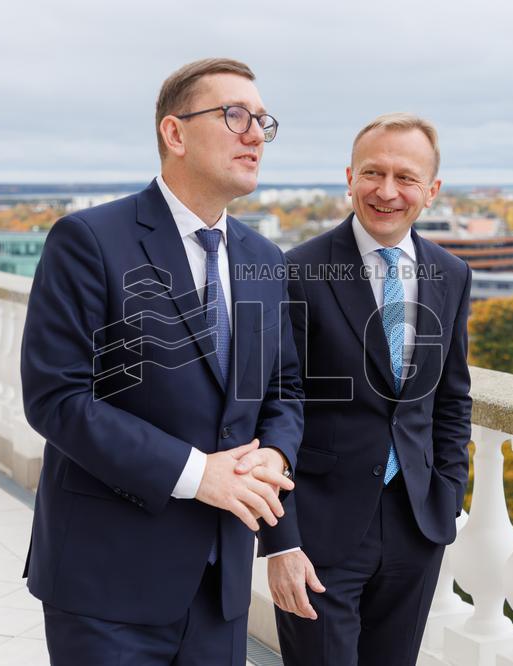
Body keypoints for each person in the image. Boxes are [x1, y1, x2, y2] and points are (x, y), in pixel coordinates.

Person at [20, 58, 304, 666]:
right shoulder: (88, 240)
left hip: (219, 588)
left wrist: (274, 455)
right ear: (175, 134)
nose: (255, 134)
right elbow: (57, 399)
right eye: (235, 116)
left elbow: (284, 390)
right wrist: (201, 474)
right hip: (106, 584)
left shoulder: (264, 259)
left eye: (263, 121)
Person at [259, 113, 472, 666]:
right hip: (320, 530)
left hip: (416, 526)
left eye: (406, 177)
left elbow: (452, 398)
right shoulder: (296, 270)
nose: (387, 191)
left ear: (432, 190)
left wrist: (446, 496)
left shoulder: (451, 273)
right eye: (373, 173)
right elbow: (272, 408)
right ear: (349, 177)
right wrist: (281, 540)